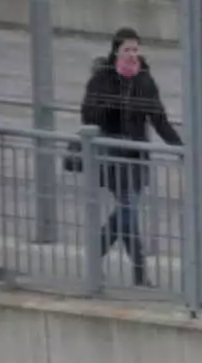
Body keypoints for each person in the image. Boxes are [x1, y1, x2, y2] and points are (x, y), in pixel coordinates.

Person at [78, 28, 183, 286]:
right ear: (116, 51)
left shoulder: (144, 81)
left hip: (136, 157)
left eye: (136, 49)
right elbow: (88, 115)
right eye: (127, 50)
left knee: (128, 212)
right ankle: (136, 272)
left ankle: (104, 260)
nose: (133, 55)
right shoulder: (102, 79)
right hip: (112, 156)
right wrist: (113, 103)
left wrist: (179, 146)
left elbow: (158, 118)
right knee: (128, 209)